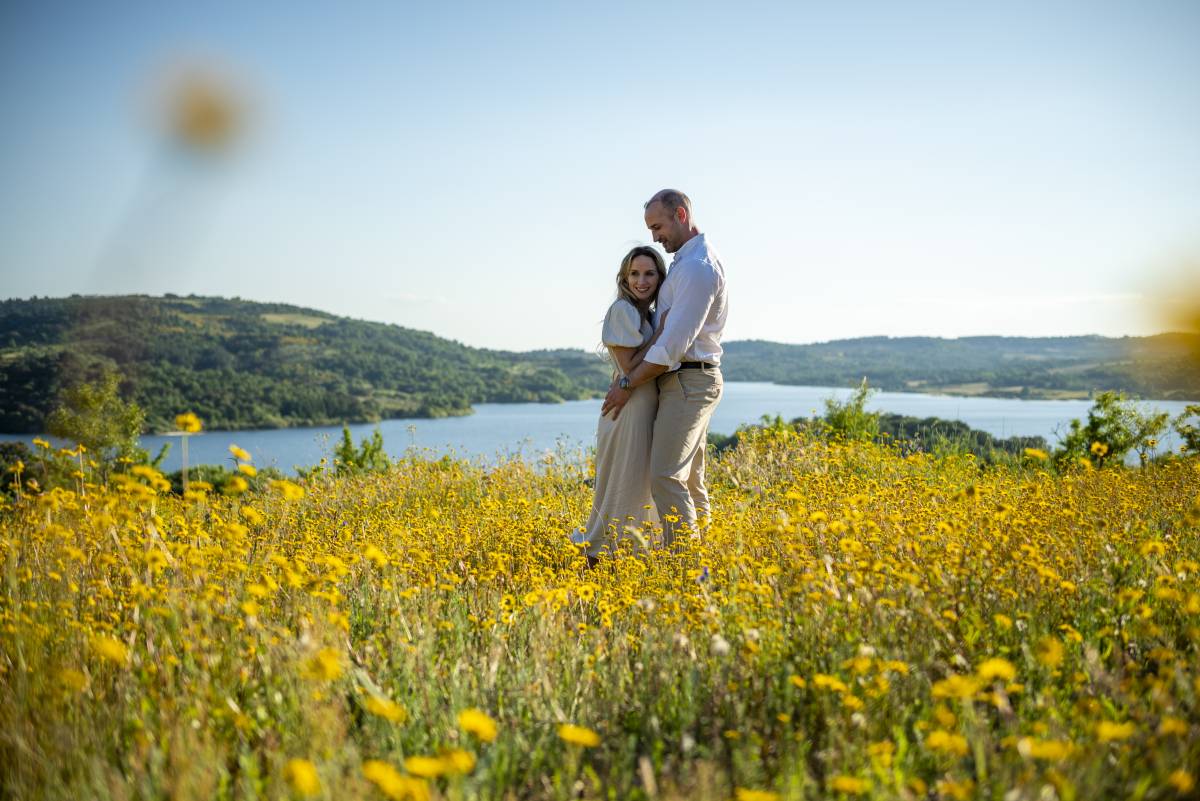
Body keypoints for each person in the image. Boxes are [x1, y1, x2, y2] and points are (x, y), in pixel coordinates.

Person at [602, 189, 727, 546]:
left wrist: (626, 385)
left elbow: (671, 347)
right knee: (689, 479)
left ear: (681, 215)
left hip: (688, 380)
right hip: (689, 380)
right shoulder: (686, 263)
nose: (655, 237)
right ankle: (704, 557)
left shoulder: (696, 268)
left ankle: (684, 564)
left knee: (666, 477)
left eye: (658, 227)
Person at [572, 245, 669, 563]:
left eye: (649, 274)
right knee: (622, 484)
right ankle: (599, 556)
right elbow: (629, 367)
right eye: (635, 274)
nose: (642, 281)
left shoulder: (646, 314)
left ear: (659, 278)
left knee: (637, 485)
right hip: (628, 410)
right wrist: (661, 336)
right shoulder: (623, 311)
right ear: (624, 278)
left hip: (641, 406)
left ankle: (628, 555)